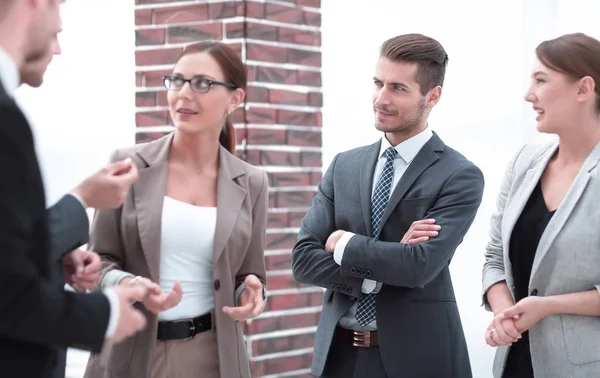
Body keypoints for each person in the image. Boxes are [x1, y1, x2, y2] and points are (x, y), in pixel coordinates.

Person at [291, 33, 484, 378]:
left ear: (432, 96)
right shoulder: (343, 166)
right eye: (378, 83)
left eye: (398, 88)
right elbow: (303, 260)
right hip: (338, 357)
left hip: (418, 361)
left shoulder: (459, 175)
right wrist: (380, 269)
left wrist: (343, 243)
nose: (380, 98)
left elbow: (418, 267)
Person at [83, 40, 269, 378]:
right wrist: (128, 282)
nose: (183, 93)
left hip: (216, 358)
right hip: (132, 353)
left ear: (235, 99)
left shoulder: (252, 182)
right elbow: (96, 264)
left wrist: (252, 291)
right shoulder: (128, 166)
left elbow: (248, 274)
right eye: (177, 80)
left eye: (202, 83)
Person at [0, 0, 149, 377]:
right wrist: (107, 314)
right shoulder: (6, 123)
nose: (59, 45)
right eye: (59, 7)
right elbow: (8, 297)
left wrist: (43, 257)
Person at [482, 32, 600, 378]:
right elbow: (493, 259)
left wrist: (546, 307)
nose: (528, 94)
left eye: (541, 80)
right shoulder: (524, 162)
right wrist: (507, 315)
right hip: (513, 364)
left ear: (583, 89)